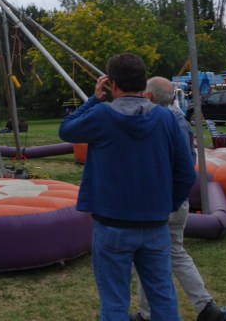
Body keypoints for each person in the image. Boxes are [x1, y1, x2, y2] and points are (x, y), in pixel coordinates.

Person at [58, 54, 195, 321]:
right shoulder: (167, 119)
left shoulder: (102, 115)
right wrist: (166, 205)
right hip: (155, 224)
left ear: (112, 84)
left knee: (114, 302)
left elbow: (67, 130)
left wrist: (94, 99)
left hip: (112, 225)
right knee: (163, 298)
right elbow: (186, 172)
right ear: (143, 83)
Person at [131, 77, 223, 321]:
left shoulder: (156, 123)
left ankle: (147, 313)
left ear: (149, 96)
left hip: (159, 202)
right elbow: (187, 165)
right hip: (177, 199)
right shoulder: (180, 120)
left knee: (144, 255)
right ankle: (205, 305)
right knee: (176, 252)